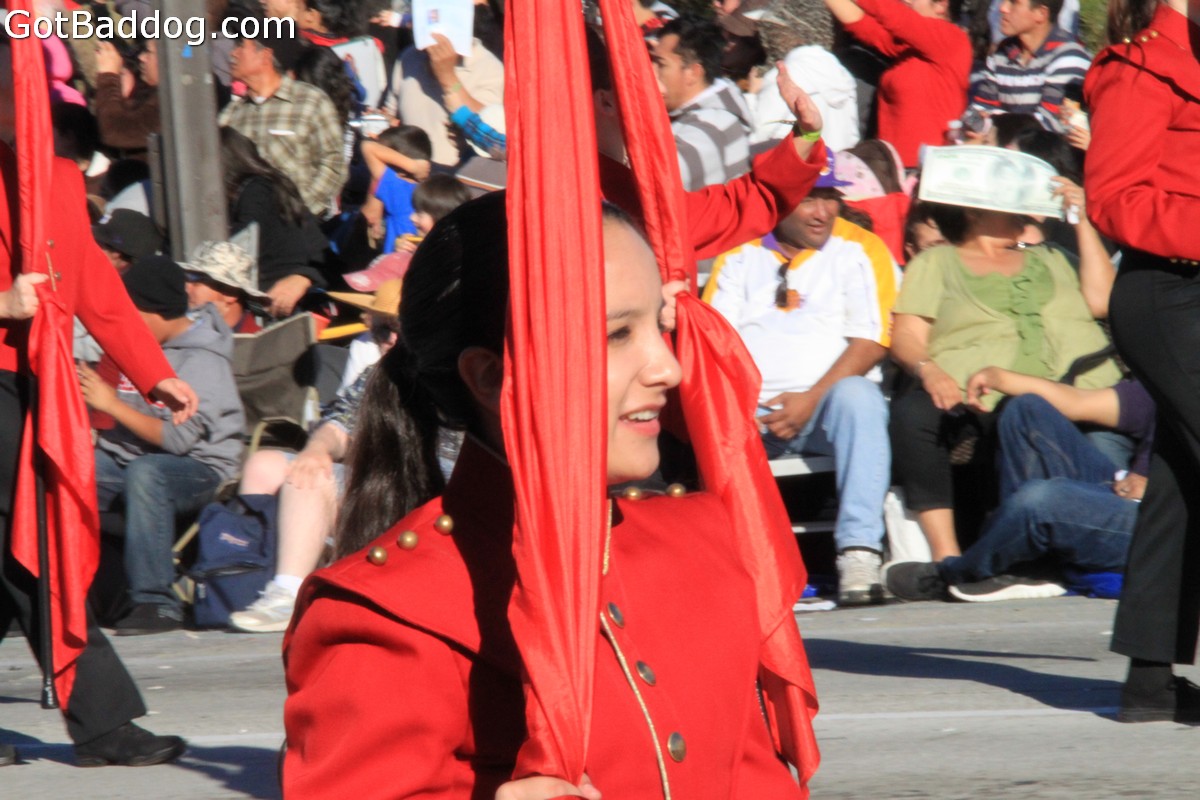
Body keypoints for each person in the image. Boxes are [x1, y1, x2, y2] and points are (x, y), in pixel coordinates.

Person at [282, 194, 810, 797]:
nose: (668, 368)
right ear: (490, 377)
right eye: (617, 335)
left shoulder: (699, 543)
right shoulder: (387, 614)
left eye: (658, 327)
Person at [1, 49, 194, 762]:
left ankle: (103, 721)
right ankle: (104, 721)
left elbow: (94, 286)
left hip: (27, 383)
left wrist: (154, 373)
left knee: (30, 546)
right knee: (31, 551)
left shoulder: (52, 178)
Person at [704, 161, 901, 606]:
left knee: (859, 397)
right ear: (777, 200)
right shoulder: (738, 253)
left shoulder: (860, 248)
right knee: (707, 412)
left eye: (830, 198)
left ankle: (859, 553)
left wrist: (810, 401)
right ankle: (738, 570)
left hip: (827, 413)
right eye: (809, 198)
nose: (823, 212)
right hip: (752, 414)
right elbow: (713, 343)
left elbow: (873, 341)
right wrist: (744, 406)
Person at [888, 198, 1121, 561]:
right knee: (912, 414)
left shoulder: (1053, 257)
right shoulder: (937, 262)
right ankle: (946, 555)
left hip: (1077, 391)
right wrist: (928, 369)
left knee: (1027, 410)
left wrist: (1083, 220)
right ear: (973, 210)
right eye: (1008, 202)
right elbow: (906, 336)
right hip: (977, 394)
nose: (1021, 209)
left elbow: (1104, 301)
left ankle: (1033, 552)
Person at [1084, 0, 1200, 724]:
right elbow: (1112, 198)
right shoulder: (1141, 65)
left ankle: (1149, 682)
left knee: (1182, 480)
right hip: (1167, 292)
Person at [80, 256, 244, 635]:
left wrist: (110, 404)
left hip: (199, 470)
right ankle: (62, 597)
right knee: (69, 468)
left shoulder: (203, 359)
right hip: (131, 460)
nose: (123, 325)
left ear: (157, 312)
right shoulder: (136, 348)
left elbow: (176, 439)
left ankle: (156, 602)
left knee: (147, 474)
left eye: (130, 315)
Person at [229, 280, 402, 634]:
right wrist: (317, 449)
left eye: (398, 329)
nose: (388, 340)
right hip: (376, 481)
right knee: (300, 470)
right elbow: (340, 423)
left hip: (439, 495)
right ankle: (266, 583)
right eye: (382, 330)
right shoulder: (379, 371)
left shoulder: (451, 372)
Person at [885, 372, 1152, 602]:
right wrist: (999, 377)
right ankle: (1032, 566)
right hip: (1122, 490)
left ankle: (949, 574)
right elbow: (1078, 401)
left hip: (1160, 523)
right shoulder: (1169, 385)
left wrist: (1159, 482)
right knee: (1026, 409)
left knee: (1040, 500)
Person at [219, 18, 348, 217]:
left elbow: (334, 162)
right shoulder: (232, 114)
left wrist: (303, 209)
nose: (232, 54)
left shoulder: (310, 102)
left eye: (241, 46)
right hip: (248, 225)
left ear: (265, 55)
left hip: (301, 224)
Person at [821, 0, 971, 169]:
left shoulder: (952, 39)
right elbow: (864, 27)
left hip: (923, 170)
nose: (906, 1)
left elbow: (895, 16)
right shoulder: (910, 49)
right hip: (890, 169)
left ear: (941, 5)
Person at [221, 126, 328, 317]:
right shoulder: (277, 184)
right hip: (294, 296)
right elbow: (317, 244)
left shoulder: (254, 192)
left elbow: (237, 251)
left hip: (272, 300)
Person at [651, 15, 753, 191]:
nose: (650, 72)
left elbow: (655, 179)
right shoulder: (715, 109)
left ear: (693, 72)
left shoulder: (714, 127)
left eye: (661, 64)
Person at [381, 30, 504, 168]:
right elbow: (392, 115)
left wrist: (448, 77)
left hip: (455, 177)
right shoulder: (409, 57)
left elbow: (493, 138)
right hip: (407, 171)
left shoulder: (489, 68)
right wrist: (383, 124)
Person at [968, 0, 1091, 134]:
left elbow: (1050, 126)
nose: (1003, 8)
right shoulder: (1003, 52)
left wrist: (991, 121)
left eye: (1014, 2)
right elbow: (977, 113)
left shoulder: (1069, 57)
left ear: (1041, 13)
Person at [359, 125, 433, 254]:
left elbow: (367, 147)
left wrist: (413, 166)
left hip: (395, 261)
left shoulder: (397, 187)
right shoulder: (429, 190)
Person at [183, 240, 269, 334]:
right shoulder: (180, 337)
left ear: (229, 293)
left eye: (196, 280)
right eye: (185, 279)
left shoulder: (265, 343)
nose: (185, 288)